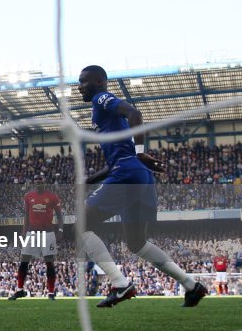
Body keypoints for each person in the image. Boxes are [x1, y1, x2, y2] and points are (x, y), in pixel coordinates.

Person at [76, 65, 206, 308]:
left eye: (84, 81)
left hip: (127, 173)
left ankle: (119, 284)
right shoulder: (104, 113)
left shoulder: (102, 99)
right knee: (137, 243)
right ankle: (191, 285)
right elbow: (118, 159)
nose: (79, 86)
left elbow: (135, 113)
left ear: (100, 82)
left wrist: (140, 152)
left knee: (81, 226)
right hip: (137, 175)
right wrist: (89, 181)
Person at [10, 177, 64, 301]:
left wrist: (60, 230)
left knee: (49, 263)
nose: (39, 183)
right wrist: (23, 233)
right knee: (24, 261)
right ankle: (19, 290)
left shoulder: (52, 196)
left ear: (44, 183)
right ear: (34, 183)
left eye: (41, 181)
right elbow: (26, 216)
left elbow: (60, 216)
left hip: (48, 233)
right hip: (32, 233)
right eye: (37, 181)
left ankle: (51, 293)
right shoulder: (28, 196)